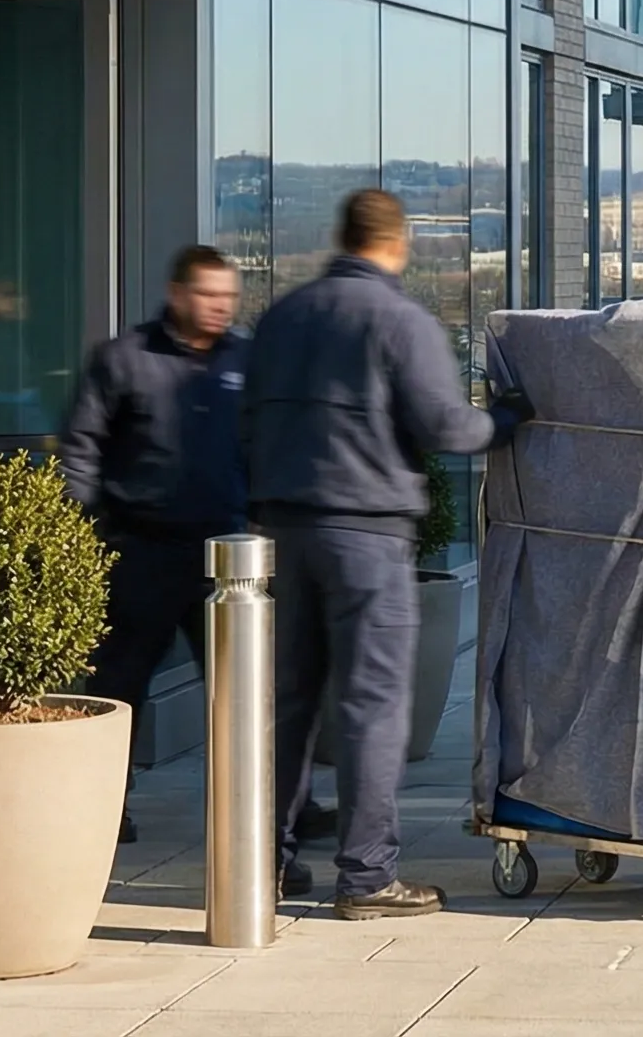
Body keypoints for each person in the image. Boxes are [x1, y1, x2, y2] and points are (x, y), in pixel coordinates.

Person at [243, 189, 525, 918]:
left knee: (287, 705)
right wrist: (503, 420)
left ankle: (263, 867)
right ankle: (367, 877)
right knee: (371, 706)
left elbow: (243, 423)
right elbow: (444, 427)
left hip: (279, 533)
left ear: (341, 238)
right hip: (366, 535)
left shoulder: (280, 317)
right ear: (396, 245)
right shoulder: (399, 320)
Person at [61, 245, 339, 844]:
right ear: (178, 293)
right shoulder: (124, 359)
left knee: (253, 687)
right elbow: (81, 446)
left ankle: (285, 805)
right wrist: (83, 531)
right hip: (141, 551)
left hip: (229, 558)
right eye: (209, 296)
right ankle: (104, 807)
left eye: (229, 298)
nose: (221, 308)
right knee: (119, 686)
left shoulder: (247, 358)